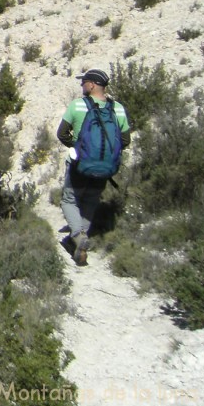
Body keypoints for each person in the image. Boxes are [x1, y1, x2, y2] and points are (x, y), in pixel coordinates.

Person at [56, 68, 131, 266]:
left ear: (92, 85)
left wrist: (77, 147)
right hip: (105, 167)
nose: (82, 86)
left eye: (84, 82)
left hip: (80, 164)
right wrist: (105, 154)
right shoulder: (119, 108)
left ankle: (78, 237)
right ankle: (81, 237)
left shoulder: (78, 106)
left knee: (69, 200)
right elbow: (125, 139)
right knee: (90, 201)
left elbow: (62, 133)